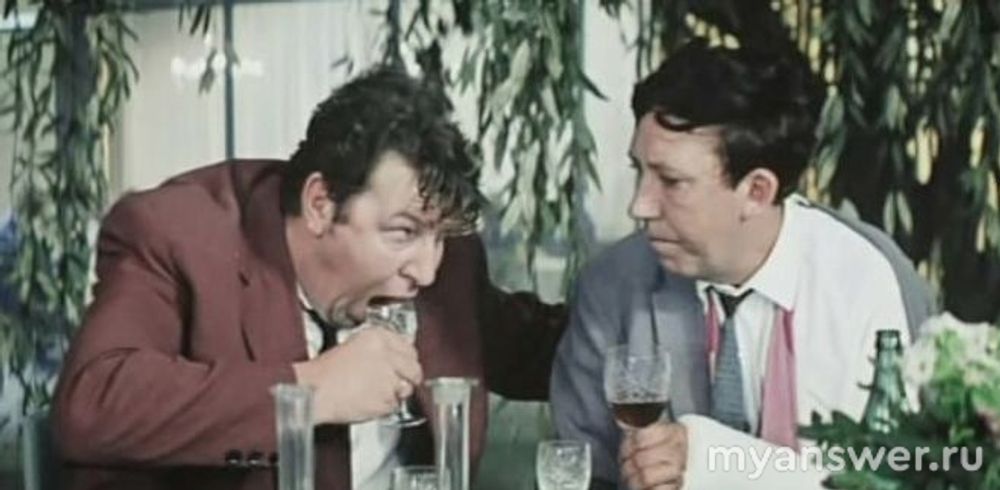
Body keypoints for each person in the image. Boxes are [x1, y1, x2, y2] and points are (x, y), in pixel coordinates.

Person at [53, 67, 566, 490]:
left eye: (441, 237)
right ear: (320, 204)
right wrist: (311, 389)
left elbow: (551, 349)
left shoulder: (445, 270)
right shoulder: (177, 237)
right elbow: (93, 405)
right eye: (403, 232)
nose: (426, 270)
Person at [550, 41, 935, 489]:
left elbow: (901, 476)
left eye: (671, 181)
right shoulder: (612, 285)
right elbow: (581, 473)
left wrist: (711, 458)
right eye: (639, 171)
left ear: (756, 192)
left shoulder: (867, 281)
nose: (640, 205)